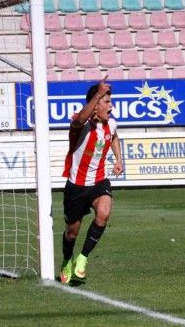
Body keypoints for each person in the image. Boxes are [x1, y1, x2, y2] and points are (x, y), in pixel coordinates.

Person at [59, 76, 123, 284]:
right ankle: (67, 260)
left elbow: (114, 137)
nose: (111, 106)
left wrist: (118, 159)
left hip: (98, 181)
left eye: (110, 101)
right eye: (106, 102)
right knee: (71, 232)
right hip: (76, 186)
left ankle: (83, 258)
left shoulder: (111, 124)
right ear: (95, 106)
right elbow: (79, 119)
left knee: (104, 213)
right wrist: (97, 95)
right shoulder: (80, 126)